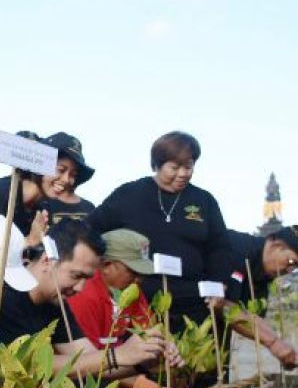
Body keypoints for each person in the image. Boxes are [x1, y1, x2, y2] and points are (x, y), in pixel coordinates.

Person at [0, 218, 195, 388]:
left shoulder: (57, 304)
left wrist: (144, 361)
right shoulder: (5, 298)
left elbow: (86, 360)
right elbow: (28, 368)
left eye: (86, 279)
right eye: (76, 275)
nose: (79, 288)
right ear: (46, 261)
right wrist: (118, 355)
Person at [87, 131, 232, 327]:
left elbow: (220, 247)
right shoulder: (129, 194)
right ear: (157, 165)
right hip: (141, 300)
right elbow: (92, 229)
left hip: (194, 302)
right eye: (174, 167)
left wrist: (218, 283)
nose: (182, 174)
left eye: (188, 167)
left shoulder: (204, 200)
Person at [213, 225, 298, 369]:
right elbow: (219, 303)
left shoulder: (263, 275)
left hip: (215, 348)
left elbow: (251, 318)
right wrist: (273, 342)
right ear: (275, 246)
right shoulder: (236, 248)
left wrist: (281, 346)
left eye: (295, 268)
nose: (289, 270)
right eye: (291, 262)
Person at [67, 229, 154, 348]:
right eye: (133, 271)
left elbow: (149, 335)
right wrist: (137, 361)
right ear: (106, 265)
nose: (138, 279)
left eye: (142, 273)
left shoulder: (130, 291)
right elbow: (86, 361)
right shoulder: (84, 296)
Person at [36, 132, 97, 227]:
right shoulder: (30, 206)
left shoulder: (89, 208)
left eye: (73, 174)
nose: (66, 179)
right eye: (61, 170)